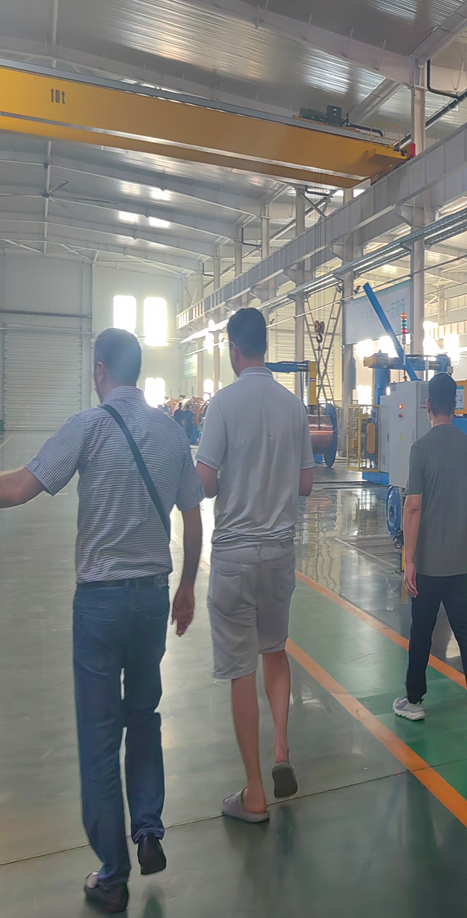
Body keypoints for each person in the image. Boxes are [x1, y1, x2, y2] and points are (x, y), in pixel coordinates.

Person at [0, 328, 204, 914]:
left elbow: (19, 488)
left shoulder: (87, 427)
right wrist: (187, 586)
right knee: (143, 715)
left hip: (99, 604)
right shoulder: (170, 431)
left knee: (98, 736)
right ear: (137, 371)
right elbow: (193, 514)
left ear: (99, 371)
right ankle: (149, 828)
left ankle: (113, 876)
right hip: (152, 598)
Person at [195, 307, 314, 823]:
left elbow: (204, 482)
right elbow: (306, 483)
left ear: (234, 350)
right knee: (274, 649)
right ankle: (282, 750)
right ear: (265, 346)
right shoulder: (293, 406)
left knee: (241, 668)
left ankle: (254, 794)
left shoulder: (223, 404)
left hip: (235, 555)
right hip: (280, 552)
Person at [393, 372, 467, 740]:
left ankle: (413, 700)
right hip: (460, 559)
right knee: (465, 629)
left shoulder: (420, 448)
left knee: (421, 630)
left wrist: (409, 560)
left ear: (428, 406)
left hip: (427, 563)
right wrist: (464, 537)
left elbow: (413, 507)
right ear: (455, 405)